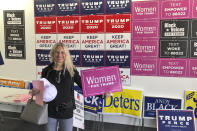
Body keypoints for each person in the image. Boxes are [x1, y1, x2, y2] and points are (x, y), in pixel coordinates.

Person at [32, 42, 110, 131]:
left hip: (66, 111)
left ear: (66, 55)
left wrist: (101, 94)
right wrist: (35, 92)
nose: (59, 55)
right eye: (57, 52)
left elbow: (84, 86)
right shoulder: (46, 71)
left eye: (62, 52)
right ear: (53, 54)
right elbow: (40, 92)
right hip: (49, 111)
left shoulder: (71, 70)